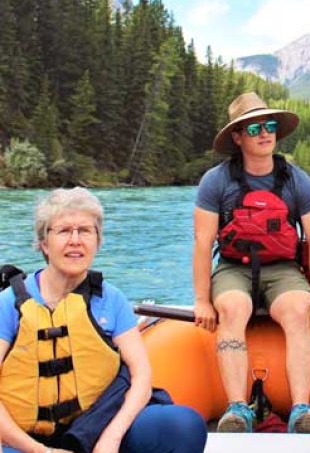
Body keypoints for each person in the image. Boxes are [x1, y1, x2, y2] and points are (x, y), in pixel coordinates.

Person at [0, 188, 207, 453]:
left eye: (85, 231)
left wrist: (111, 437)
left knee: (182, 425)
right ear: (43, 243)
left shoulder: (112, 299)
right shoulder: (9, 303)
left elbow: (141, 376)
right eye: (64, 231)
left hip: (96, 429)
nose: (75, 240)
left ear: (97, 241)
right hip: (24, 440)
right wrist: (41, 451)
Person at [193, 92, 310, 434]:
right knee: (234, 308)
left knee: (296, 310)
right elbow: (202, 242)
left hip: (282, 268)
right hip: (232, 267)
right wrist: (200, 300)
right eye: (254, 128)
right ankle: (237, 408)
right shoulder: (216, 181)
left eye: (269, 126)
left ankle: (302, 409)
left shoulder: (296, 179)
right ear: (237, 137)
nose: (265, 133)